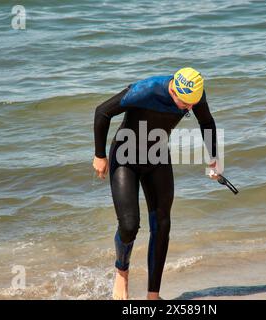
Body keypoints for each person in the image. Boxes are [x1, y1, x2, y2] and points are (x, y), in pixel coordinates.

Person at [92, 67, 219, 300]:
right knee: (129, 226)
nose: (190, 108)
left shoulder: (194, 94)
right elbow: (102, 112)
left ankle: (153, 296)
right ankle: (122, 271)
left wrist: (214, 159)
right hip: (125, 157)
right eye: (185, 103)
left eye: (193, 103)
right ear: (173, 90)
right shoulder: (145, 91)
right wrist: (100, 155)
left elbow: (207, 122)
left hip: (157, 157)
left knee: (162, 225)